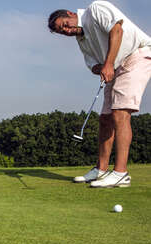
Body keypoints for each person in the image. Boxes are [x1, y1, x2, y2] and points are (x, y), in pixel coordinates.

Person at [48, 1, 151, 187]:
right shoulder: (81, 40)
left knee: (120, 113)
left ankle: (121, 173)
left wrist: (108, 63)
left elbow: (116, 30)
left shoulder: (95, 9)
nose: (67, 31)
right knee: (105, 118)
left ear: (71, 14)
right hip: (115, 67)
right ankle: (101, 170)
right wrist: (102, 68)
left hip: (138, 55)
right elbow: (93, 65)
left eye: (65, 25)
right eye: (63, 32)